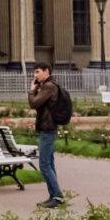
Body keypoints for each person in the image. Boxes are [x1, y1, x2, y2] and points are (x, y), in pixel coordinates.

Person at [26, 65, 72, 207]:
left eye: (38, 72)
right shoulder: (47, 86)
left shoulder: (49, 86)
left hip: (48, 129)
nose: (35, 75)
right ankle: (53, 196)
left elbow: (34, 103)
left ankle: (57, 196)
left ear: (47, 71)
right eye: (35, 72)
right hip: (47, 128)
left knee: (44, 165)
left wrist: (32, 90)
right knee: (49, 163)